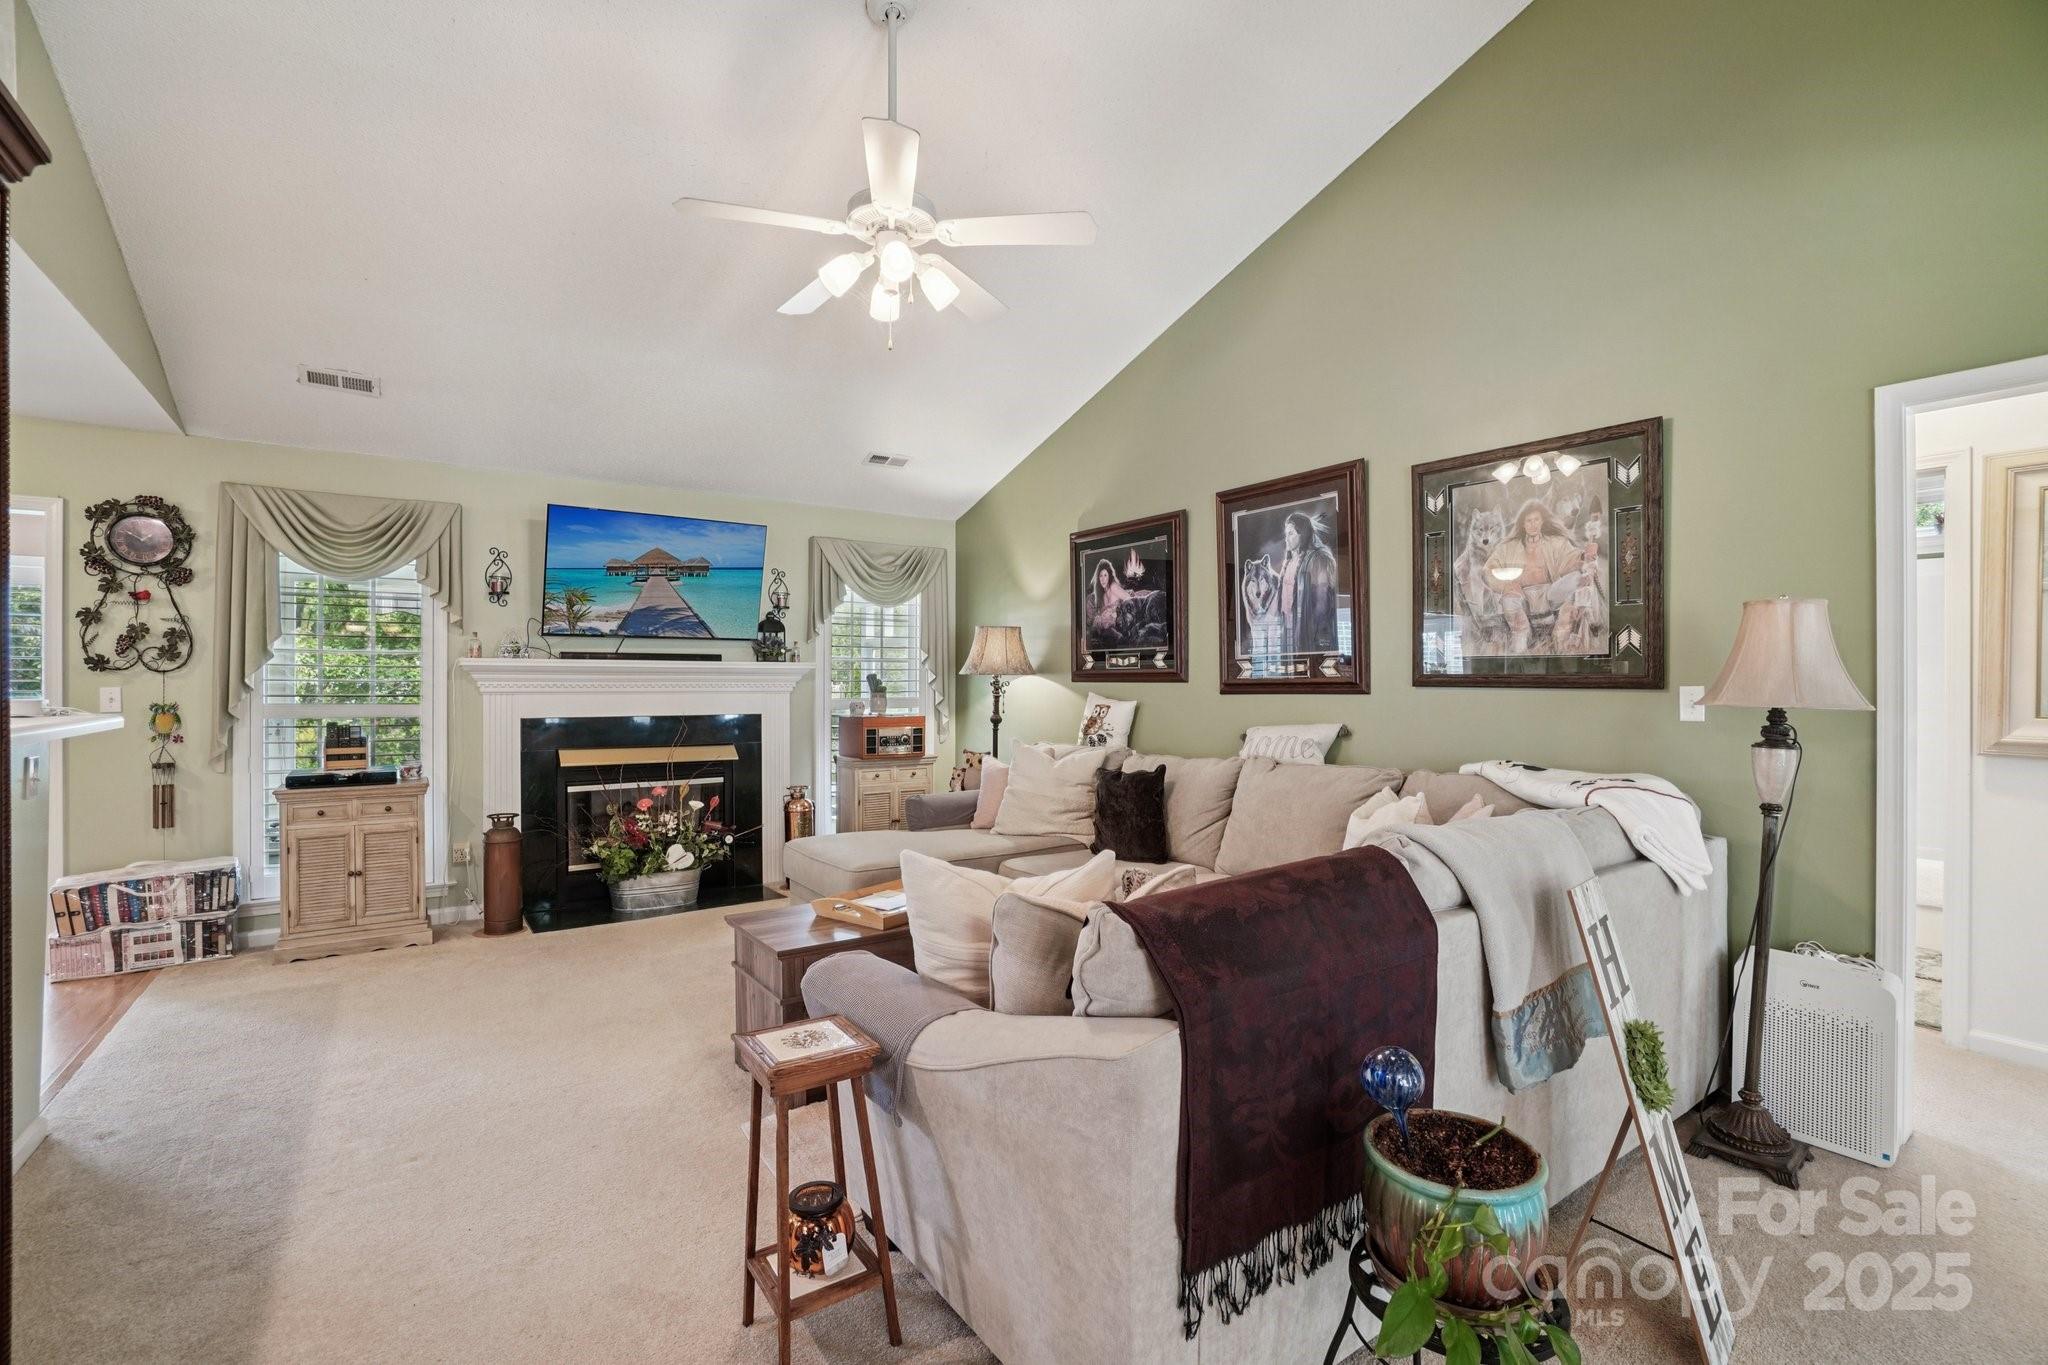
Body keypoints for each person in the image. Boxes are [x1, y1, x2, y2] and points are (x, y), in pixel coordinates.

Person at [1483, 500, 1589, 652]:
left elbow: (1571, 558)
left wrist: (1585, 556)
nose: (1533, 524)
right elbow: (1488, 569)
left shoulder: (1556, 543)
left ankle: (1562, 647)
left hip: (1551, 596)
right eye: (1529, 521)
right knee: (1509, 602)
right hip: (1521, 599)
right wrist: (1505, 586)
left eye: (1536, 520)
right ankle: (1521, 645)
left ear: (1542, 522)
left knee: (1576, 578)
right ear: (1523, 524)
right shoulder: (1508, 547)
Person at [1278, 511, 1338, 655]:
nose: (1286, 539)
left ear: (1302, 534)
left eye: (1291, 534)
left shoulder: (1319, 559)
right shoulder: (1288, 562)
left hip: (1308, 635)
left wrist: (1310, 635)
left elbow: (1322, 604)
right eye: (1286, 534)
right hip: (1288, 631)